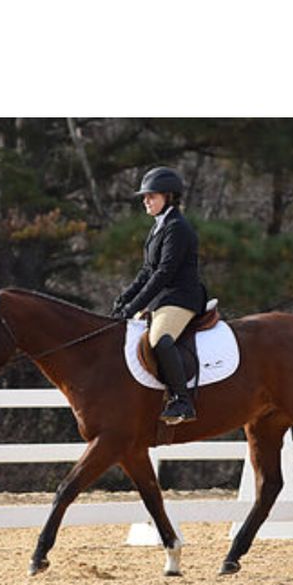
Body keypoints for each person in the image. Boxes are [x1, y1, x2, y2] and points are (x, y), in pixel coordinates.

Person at [112, 166, 207, 424]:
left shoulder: (177, 227)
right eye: (145, 196)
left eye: (151, 196)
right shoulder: (158, 227)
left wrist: (135, 306)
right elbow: (146, 271)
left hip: (181, 297)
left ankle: (182, 401)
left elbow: (163, 273)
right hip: (164, 298)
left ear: (169, 196)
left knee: (160, 341)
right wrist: (125, 299)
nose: (145, 201)